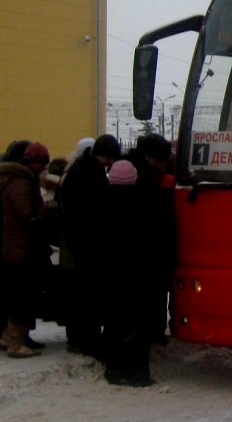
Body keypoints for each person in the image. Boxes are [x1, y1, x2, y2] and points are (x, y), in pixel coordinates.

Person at [58, 134, 121, 355]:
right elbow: (94, 210)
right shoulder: (89, 174)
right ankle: (86, 339)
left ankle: (79, 337)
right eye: (110, 159)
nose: (111, 164)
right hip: (86, 242)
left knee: (80, 293)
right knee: (86, 294)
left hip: (79, 239)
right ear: (102, 155)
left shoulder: (79, 169)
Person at [100, 159, 155, 386]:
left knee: (114, 322)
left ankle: (113, 369)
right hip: (137, 273)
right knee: (137, 324)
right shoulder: (144, 202)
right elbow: (152, 239)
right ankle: (137, 372)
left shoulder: (100, 201)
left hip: (111, 272)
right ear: (134, 179)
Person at [0, 142, 53, 358]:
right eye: (42, 163)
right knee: (21, 295)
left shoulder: (9, 178)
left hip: (9, 246)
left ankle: (9, 336)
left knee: (12, 295)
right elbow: (27, 216)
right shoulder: (21, 182)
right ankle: (16, 342)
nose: (43, 168)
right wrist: (44, 210)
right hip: (19, 248)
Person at [126, 133, 176, 344]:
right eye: (161, 160)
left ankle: (152, 332)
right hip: (145, 250)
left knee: (154, 293)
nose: (162, 165)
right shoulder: (138, 175)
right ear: (152, 157)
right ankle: (148, 334)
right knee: (149, 295)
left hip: (148, 249)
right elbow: (149, 211)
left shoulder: (142, 170)